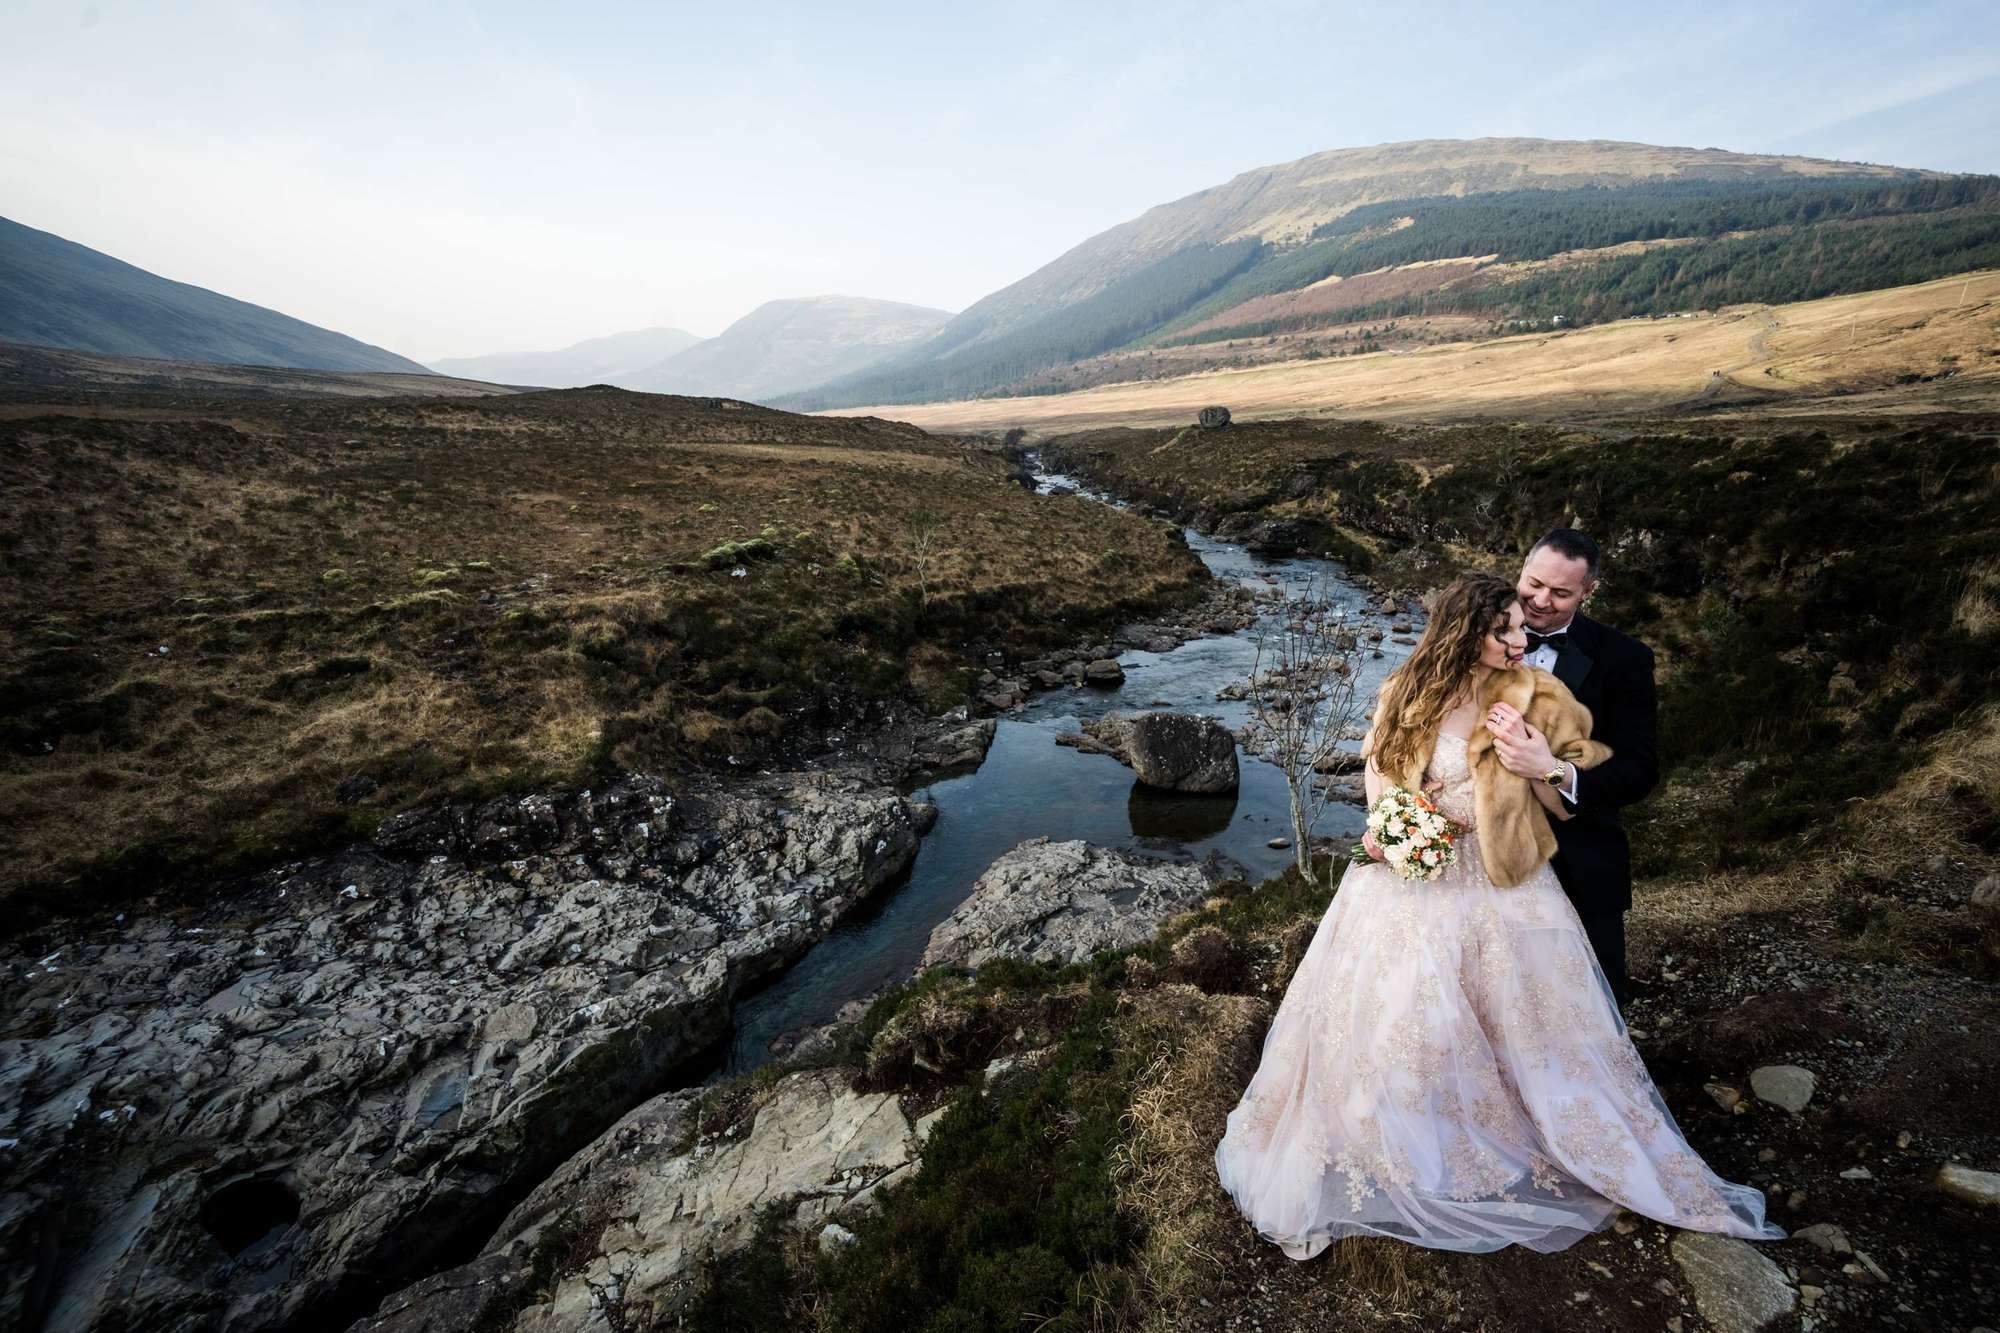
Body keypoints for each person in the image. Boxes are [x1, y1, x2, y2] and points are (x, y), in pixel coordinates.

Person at [1213, 572, 1780, 1258]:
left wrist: (1539, 762)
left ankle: (1539, 1130)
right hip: (1412, 879)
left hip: (1504, 876)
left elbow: (1571, 804)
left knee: (1531, 1026)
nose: (1520, 639)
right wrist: (1397, 831)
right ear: (1463, 633)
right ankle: (1407, 1130)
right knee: (1409, 1019)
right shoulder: (1406, 692)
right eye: (1504, 628)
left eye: (1522, 626)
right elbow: (1384, 783)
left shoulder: (1533, 695)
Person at [1488, 529, 1658, 1005]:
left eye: (1561, 593)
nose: (1541, 601)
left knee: (1592, 1004)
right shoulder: (1472, 640)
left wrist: (1555, 771)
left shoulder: (1625, 659)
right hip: (1484, 856)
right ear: (1521, 567)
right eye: (1534, 583)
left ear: (1589, 591)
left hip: (1580, 857)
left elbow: (1640, 769)